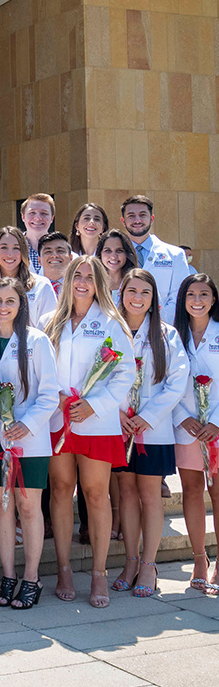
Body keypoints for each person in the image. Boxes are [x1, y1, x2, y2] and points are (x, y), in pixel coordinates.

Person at [42, 256, 135, 607]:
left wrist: (94, 404)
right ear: (67, 280)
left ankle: (99, 573)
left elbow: (125, 373)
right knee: (61, 490)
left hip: (96, 421)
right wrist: (59, 398)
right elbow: (40, 370)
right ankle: (64, 568)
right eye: (76, 275)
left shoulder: (112, 322)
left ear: (99, 283)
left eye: (89, 276)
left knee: (96, 495)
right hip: (58, 419)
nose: (82, 281)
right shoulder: (51, 322)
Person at [0, 278, 60, 609]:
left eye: (10, 301)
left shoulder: (38, 341)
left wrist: (25, 425)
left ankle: (31, 577)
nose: (3, 306)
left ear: (21, 304)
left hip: (29, 438)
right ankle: (8, 575)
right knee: (2, 506)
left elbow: (49, 394)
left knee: (28, 505)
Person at [111, 269, 188, 597]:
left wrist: (148, 416)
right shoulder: (111, 332)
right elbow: (98, 376)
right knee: (126, 494)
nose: (138, 298)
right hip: (119, 427)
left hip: (152, 431)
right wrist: (117, 413)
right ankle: (130, 560)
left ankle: (148, 564)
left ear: (153, 299)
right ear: (122, 294)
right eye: (132, 291)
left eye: (145, 292)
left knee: (150, 495)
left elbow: (177, 381)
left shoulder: (166, 335)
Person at [172, 273, 219, 594]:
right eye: (191, 295)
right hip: (186, 426)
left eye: (204, 294)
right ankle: (199, 559)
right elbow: (164, 383)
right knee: (191, 491)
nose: (198, 300)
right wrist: (182, 417)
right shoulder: (173, 337)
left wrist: (217, 422)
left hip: (216, 429)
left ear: (214, 299)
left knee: (217, 495)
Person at [121, 194, 192, 323]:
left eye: (143, 215)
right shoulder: (113, 255)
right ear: (123, 221)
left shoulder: (175, 255)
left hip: (162, 328)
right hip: (122, 328)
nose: (137, 220)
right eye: (131, 216)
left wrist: (157, 323)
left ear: (152, 219)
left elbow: (179, 295)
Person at [0, 226, 57, 326]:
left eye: (16, 248)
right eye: (4, 247)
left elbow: (50, 327)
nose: (10, 254)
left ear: (24, 252)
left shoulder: (41, 285)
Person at [96, 229, 140, 301]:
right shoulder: (93, 284)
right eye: (107, 251)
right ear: (100, 254)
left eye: (119, 251)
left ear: (127, 254)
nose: (113, 256)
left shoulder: (138, 283)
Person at [20, 193, 56, 274]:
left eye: (44, 213)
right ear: (23, 217)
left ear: (52, 218)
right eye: (32, 213)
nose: (38, 218)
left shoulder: (65, 252)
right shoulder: (11, 248)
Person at [39, 231, 73, 296]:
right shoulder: (31, 287)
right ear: (39, 260)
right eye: (48, 252)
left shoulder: (78, 286)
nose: (54, 255)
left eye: (60, 251)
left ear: (71, 258)